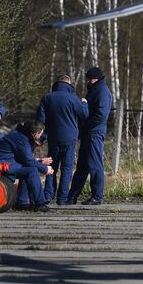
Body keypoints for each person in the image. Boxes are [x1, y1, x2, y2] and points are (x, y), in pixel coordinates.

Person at [37, 73, 88, 204]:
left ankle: (48, 195)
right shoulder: (73, 98)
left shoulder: (47, 98)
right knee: (66, 168)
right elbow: (84, 114)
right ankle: (62, 198)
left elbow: (41, 118)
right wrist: (84, 104)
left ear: (57, 83)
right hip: (70, 138)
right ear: (69, 84)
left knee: (51, 166)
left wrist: (42, 135)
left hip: (53, 137)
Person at [67, 66, 112, 205]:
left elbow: (101, 115)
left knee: (95, 165)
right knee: (82, 166)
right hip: (89, 133)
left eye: (89, 79)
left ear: (95, 79)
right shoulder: (95, 90)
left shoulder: (102, 92)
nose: (87, 81)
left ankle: (97, 196)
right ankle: (72, 196)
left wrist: (86, 124)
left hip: (94, 133)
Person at [0, 120, 53, 212]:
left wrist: (40, 162)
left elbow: (25, 158)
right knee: (32, 171)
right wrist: (45, 169)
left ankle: (22, 202)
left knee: (28, 170)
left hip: (7, 162)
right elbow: (28, 161)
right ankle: (40, 203)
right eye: (41, 133)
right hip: (2, 165)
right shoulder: (21, 139)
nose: (41, 136)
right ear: (36, 133)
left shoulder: (20, 136)